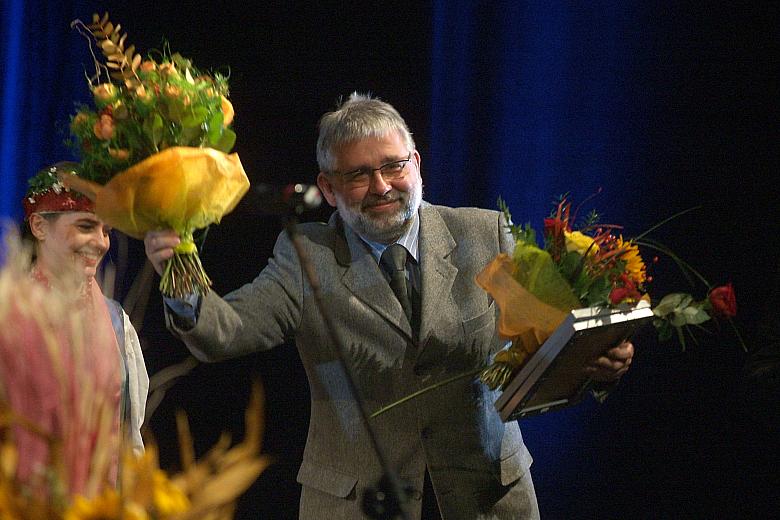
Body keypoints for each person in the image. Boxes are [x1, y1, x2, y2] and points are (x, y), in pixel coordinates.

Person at [144, 93, 634, 519]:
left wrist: (594, 359)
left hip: (486, 500)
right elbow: (225, 331)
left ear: (416, 164)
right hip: (358, 504)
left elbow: (540, 347)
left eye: (392, 166)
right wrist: (177, 270)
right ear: (330, 189)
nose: (381, 187)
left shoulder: (485, 233)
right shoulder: (306, 254)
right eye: (358, 174)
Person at [14, 162, 149, 492]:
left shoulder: (117, 323)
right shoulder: (10, 318)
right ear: (40, 226)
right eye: (87, 226)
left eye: (106, 231)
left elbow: (129, 437)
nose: (101, 243)